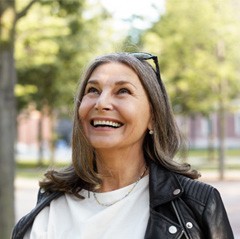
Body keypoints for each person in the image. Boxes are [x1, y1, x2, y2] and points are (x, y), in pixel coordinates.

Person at [12, 52, 234, 239]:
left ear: (154, 117)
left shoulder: (198, 204)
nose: (101, 103)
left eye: (123, 91)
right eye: (93, 90)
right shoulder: (51, 201)